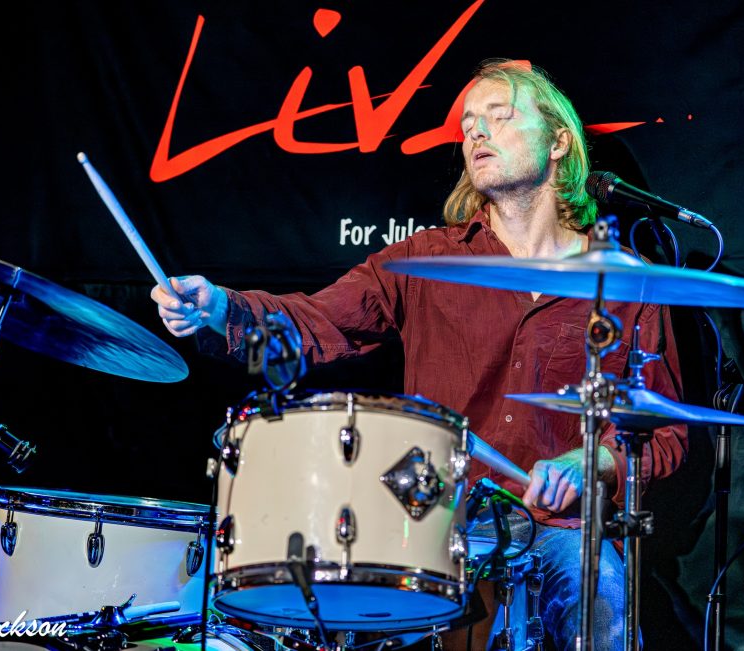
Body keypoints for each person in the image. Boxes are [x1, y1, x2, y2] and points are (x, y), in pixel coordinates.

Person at [151, 60, 687, 650]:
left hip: (557, 526)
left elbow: (661, 432)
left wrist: (589, 464)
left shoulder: (626, 283)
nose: (476, 131)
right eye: (468, 123)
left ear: (558, 142)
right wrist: (219, 308)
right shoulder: (426, 262)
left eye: (499, 116)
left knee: (603, 597)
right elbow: (316, 320)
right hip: (431, 510)